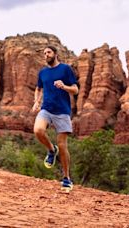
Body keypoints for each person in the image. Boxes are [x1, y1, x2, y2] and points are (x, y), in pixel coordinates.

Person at [31, 46, 78, 191]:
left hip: (63, 111)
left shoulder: (65, 69)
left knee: (63, 146)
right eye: (44, 53)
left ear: (55, 54)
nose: (46, 55)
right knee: (38, 130)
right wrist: (36, 101)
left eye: (48, 52)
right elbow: (39, 89)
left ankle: (66, 178)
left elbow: (75, 89)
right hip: (47, 109)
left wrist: (64, 86)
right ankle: (51, 150)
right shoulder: (43, 72)